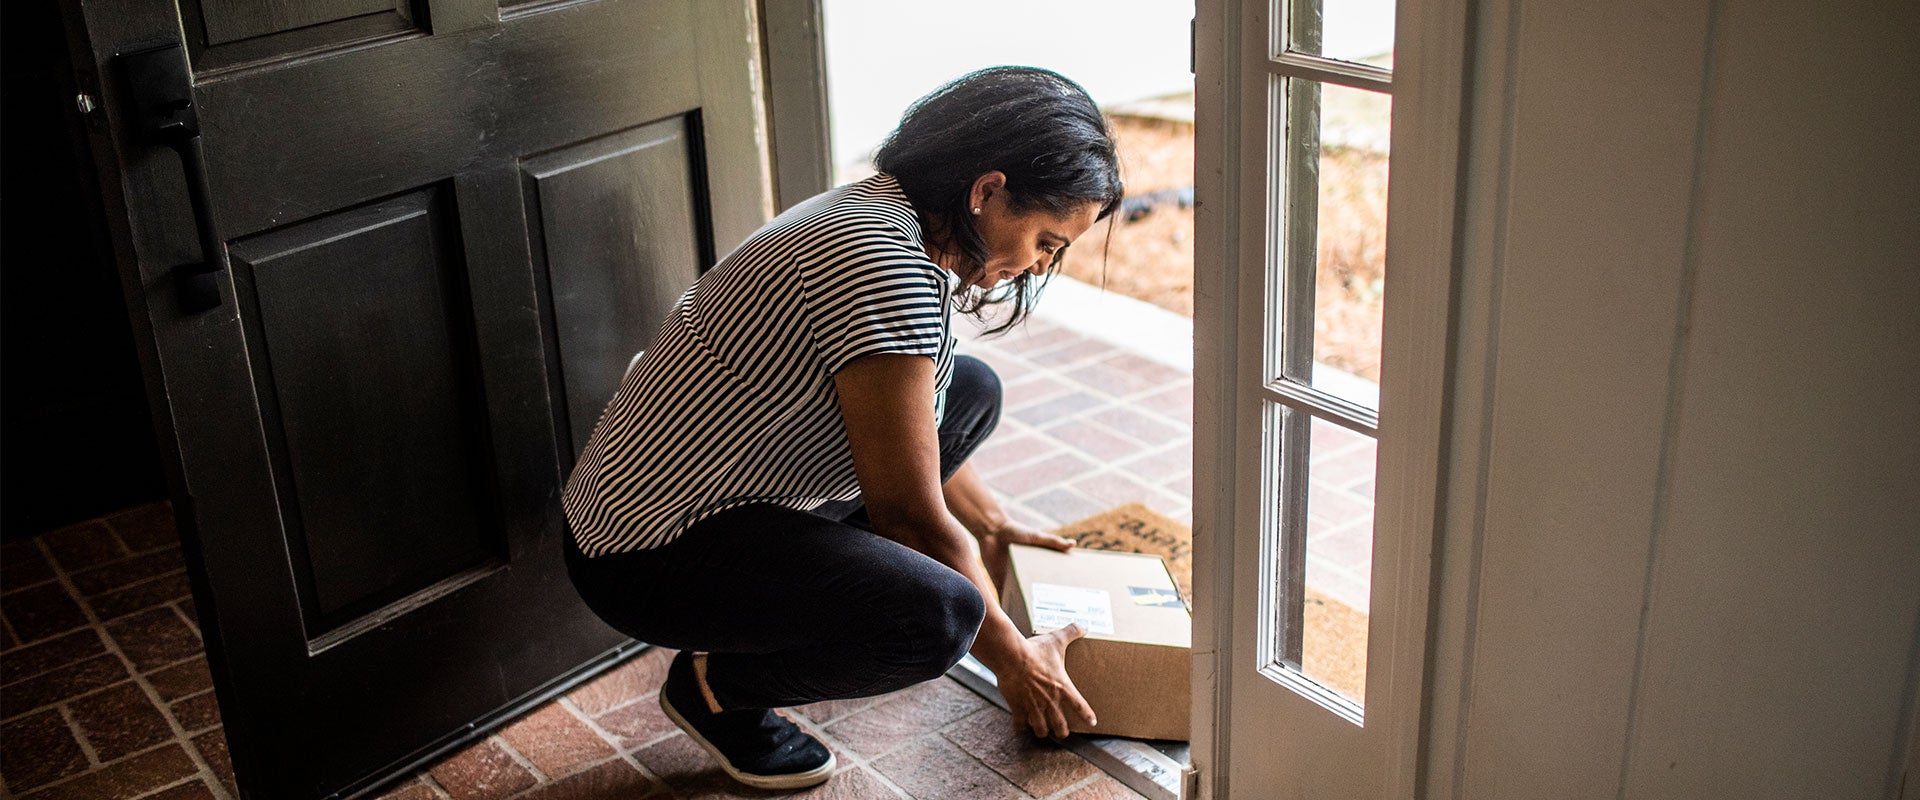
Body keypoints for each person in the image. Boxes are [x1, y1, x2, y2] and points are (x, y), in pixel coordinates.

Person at [559, 65, 1124, 790]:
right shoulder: (884, 269)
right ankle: (716, 689)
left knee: (972, 390)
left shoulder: (879, 208)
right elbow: (911, 518)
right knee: (937, 619)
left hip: (673, 496)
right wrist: (1017, 663)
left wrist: (992, 524)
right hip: (641, 556)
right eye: (1047, 240)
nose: (1038, 266)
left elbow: (921, 422)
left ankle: (833, 593)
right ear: (987, 191)